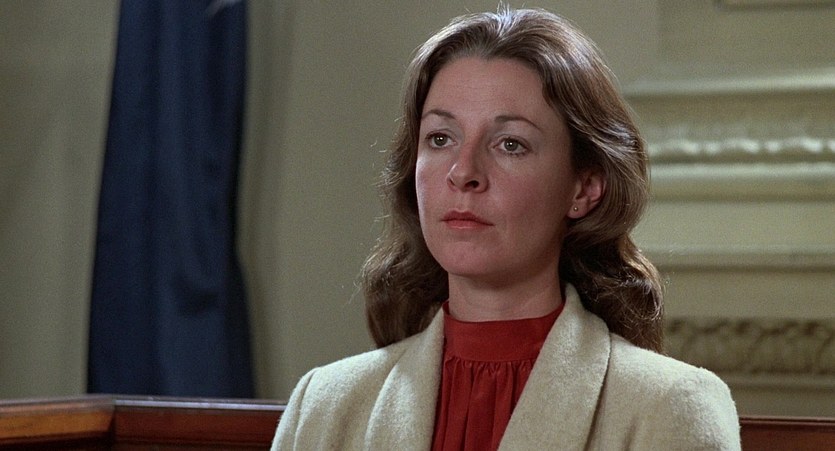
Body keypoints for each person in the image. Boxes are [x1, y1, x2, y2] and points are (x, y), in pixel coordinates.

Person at [272, 7, 740, 450]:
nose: (463, 172)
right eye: (440, 138)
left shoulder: (668, 406)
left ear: (584, 188)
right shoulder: (325, 405)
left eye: (510, 144)